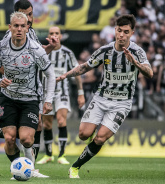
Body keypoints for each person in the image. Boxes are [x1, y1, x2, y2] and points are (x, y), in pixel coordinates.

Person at [56, 14, 153, 178]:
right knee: (83, 135)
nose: (122, 35)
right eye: (119, 30)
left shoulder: (137, 51)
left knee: (100, 138)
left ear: (132, 33)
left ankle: (75, 167)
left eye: (126, 32)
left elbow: (150, 73)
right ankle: (90, 137)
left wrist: (135, 63)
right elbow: (85, 67)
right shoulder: (105, 50)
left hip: (122, 103)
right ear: (115, 30)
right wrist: (66, 75)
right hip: (101, 99)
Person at [0, 0, 57, 165]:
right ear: (11, 25)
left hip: (31, 95)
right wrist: (0, 81)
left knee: (28, 134)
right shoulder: (3, 44)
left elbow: (39, 62)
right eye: (24, 17)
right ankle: (22, 167)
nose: (27, 21)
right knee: (11, 137)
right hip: (9, 96)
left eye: (29, 16)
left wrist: (48, 50)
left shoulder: (32, 36)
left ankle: (27, 166)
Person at [36, 26, 85, 165]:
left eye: (56, 33)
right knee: (47, 123)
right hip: (46, 93)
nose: (54, 35)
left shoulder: (67, 53)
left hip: (62, 92)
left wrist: (80, 93)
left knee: (62, 121)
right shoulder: (43, 52)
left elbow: (77, 71)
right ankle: (48, 154)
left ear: (60, 36)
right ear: (48, 36)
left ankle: (62, 155)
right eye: (51, 33)